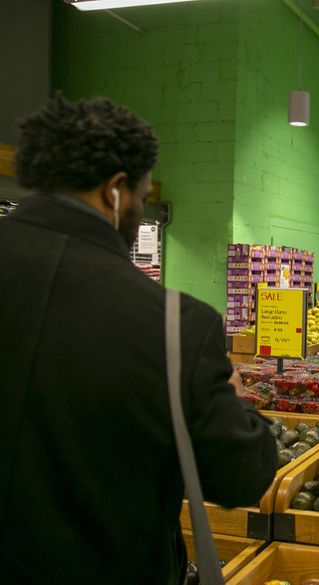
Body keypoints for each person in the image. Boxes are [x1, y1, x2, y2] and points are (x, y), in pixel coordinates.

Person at [0, 96, 277, 584]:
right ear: (115, 192)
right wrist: (234, 398)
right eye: (142, 197)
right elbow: (241, 477)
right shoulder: (174, 326)